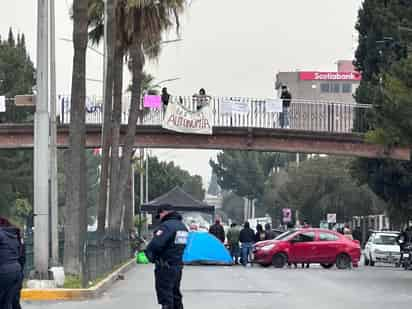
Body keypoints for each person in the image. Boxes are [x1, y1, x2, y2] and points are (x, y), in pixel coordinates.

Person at [145, 205, 189, 309]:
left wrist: (150, 256)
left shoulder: (166, 226)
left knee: (166, 297)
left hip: (165, 266)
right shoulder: (182, 226)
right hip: (177, 265)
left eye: (159, 215)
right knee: (175, 295)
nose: (159, 218)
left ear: (163, 212)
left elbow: (155, 245)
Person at [0, 217, 24, 309]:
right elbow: (22, 256)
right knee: (9, 302)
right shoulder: (13, 235)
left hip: (4, 272)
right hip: (16, 271)